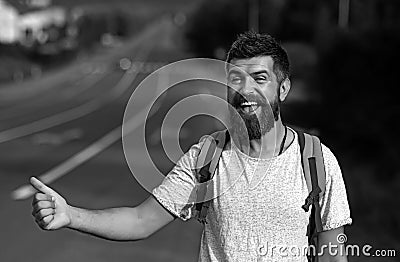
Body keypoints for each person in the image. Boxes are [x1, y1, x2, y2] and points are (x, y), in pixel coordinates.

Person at [31, 31, 352, 261]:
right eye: (236, 79)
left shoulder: (316, 162)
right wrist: (71, 216)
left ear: (283, 89)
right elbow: (141, 220)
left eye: (259, 78)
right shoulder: (207, 158)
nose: (245, 90)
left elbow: (332, 256)